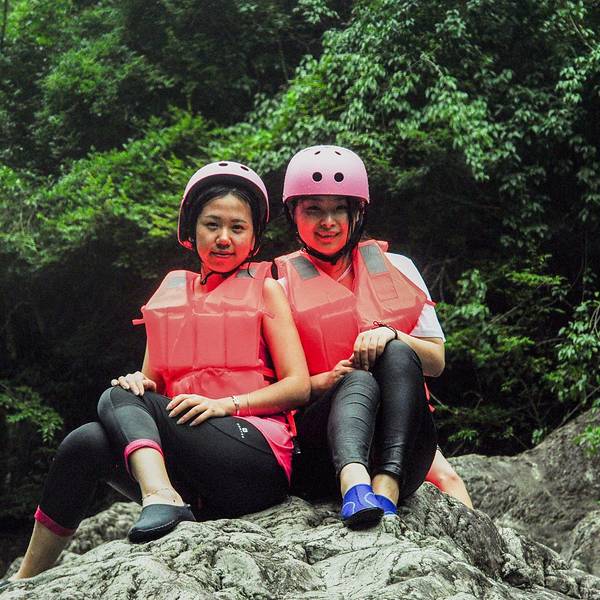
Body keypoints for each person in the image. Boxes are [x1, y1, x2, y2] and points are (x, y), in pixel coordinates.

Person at [7, 161, 310, 583]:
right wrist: (138, 381)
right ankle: (25, 579)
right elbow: (150, 386)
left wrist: (226, 405)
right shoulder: (170, 294)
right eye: (212, 225)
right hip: (195, 475)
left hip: (254, 457)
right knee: (87, 439)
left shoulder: (266, 288)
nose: (224, 238)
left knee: (114, 399)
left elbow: (299, 386)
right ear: (191, 230)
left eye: (237, 228)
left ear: (254, 236)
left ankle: (160, 495)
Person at [275, 145, 466, 527]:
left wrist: (390, 334)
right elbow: (276, 387)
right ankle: (361, 485)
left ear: (357, 213)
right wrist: (332, 378)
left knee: (448, 477)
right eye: (313, 209)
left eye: (339, 209)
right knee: (359, 380)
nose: (328, 221)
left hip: (397, 430)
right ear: (293, 214)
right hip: (324, 438)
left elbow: (436, 362)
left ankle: (386, 489)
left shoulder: (399, 267)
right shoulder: (277, 285)